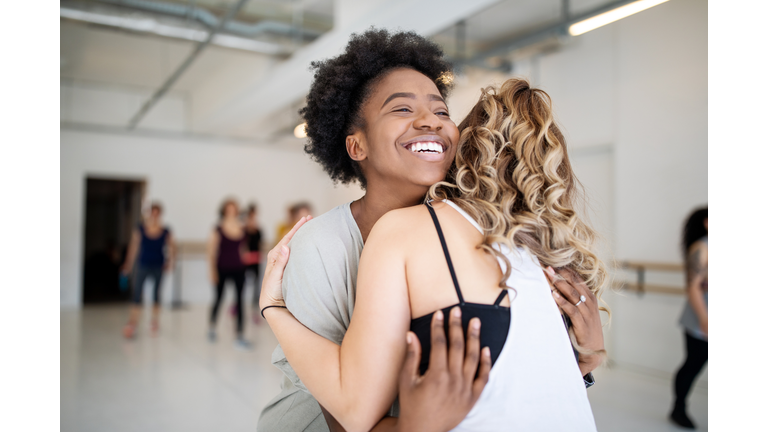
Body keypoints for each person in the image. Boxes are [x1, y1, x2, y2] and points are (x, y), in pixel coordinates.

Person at [257, 29, 605, 432]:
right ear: (357, 147)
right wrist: (273, 309)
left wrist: (582, 361)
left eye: (442, 112)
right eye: (402, 110)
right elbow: (346, 417)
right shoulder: (323, 245)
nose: (431, 122)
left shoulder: (464, 233)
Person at [669, 207, 708, 429]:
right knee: (693, 365)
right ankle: (678, 408)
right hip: (701, 318)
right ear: (707, 223)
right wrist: (704, 318)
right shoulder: (701, 248)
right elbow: (692, 287)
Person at [121, 202, 175, 339]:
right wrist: (127, 264)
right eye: (153, 213)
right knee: (137, 293)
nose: (155, 216)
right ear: (149, 214)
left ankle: (154, 321)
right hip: (143, 264)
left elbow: (172, 247)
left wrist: (170, 261)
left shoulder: (165, 231)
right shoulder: (140, 229)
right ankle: (132, 323)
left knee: (156, 294)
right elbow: (133, 247)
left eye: (157, 213)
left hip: (158, 265)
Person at [207, 198, 251, 349]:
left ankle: (239, 334)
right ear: (224, 211)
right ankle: (212, 327)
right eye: (229, 209)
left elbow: (243, 250)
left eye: (234, 209)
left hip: (239, 269)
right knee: (219, 298)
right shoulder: (218, 228)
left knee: (240, 301)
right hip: (222, 268)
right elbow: (211, 251)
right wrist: (212, 271)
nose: (232, 212)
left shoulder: (242, 228)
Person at [244, 203, 263, 322]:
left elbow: (260, 244)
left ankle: (254, 311)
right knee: (244, 285)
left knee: (256, 286)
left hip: (256, 260)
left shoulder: (258, 230)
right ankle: (238, 306)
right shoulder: (243, 231)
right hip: (245, 261)